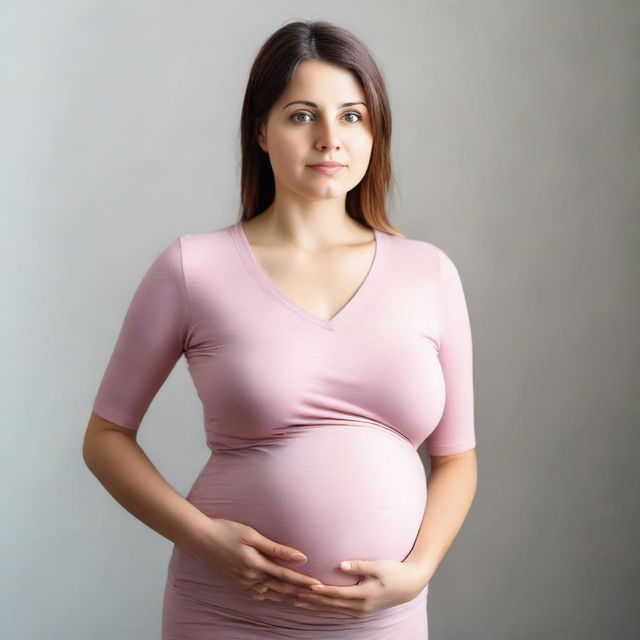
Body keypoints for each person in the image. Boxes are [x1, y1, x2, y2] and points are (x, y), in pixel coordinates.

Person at [82, 19, 478, 639]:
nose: (330, 138)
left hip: (382, 620)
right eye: (302, 115)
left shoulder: (428, 273)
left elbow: (457, 460)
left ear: (375, 132)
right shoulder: (194, 268)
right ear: (260, 131)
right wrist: (202, 537)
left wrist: (420, 570)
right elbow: (105, 437)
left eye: (352, 116)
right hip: (225, 613)